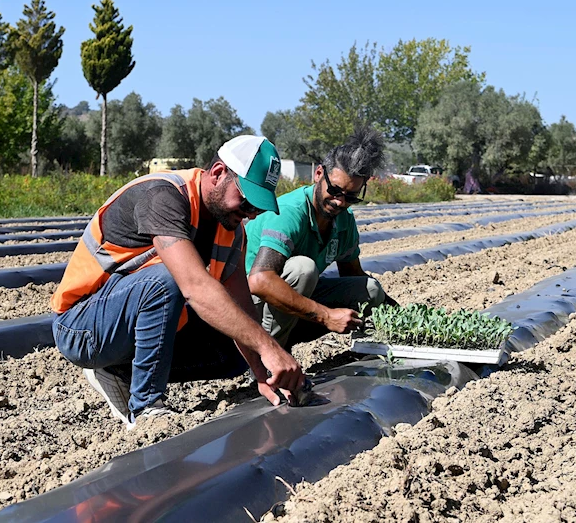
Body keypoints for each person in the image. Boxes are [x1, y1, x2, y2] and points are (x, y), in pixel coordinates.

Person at [50, 136, 305, 429]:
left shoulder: (231, 230)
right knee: (167, 280)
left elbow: (241, 305)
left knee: (236, 351)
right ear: (219, 173)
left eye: (256, 207)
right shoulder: (163, 196)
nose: (249, 213)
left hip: (128, 323)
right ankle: (146, 408)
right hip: (83, 327)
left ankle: (118, 370)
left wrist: (263, 371)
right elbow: (195, 288)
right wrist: (271, 348)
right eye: (246, 199)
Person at [245, 127, 396, 350]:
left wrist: (402, 315)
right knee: (303, 269)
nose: (340, 202)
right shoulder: (289, 212)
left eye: (351, 196)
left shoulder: (344, 219)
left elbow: (353, 274)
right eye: (335, 190)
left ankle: (370, 351)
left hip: (289, 301)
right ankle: (269, 357)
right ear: (318, 175)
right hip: (247, 303)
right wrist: (326, 316)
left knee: (371, 290)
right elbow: (259, 281)